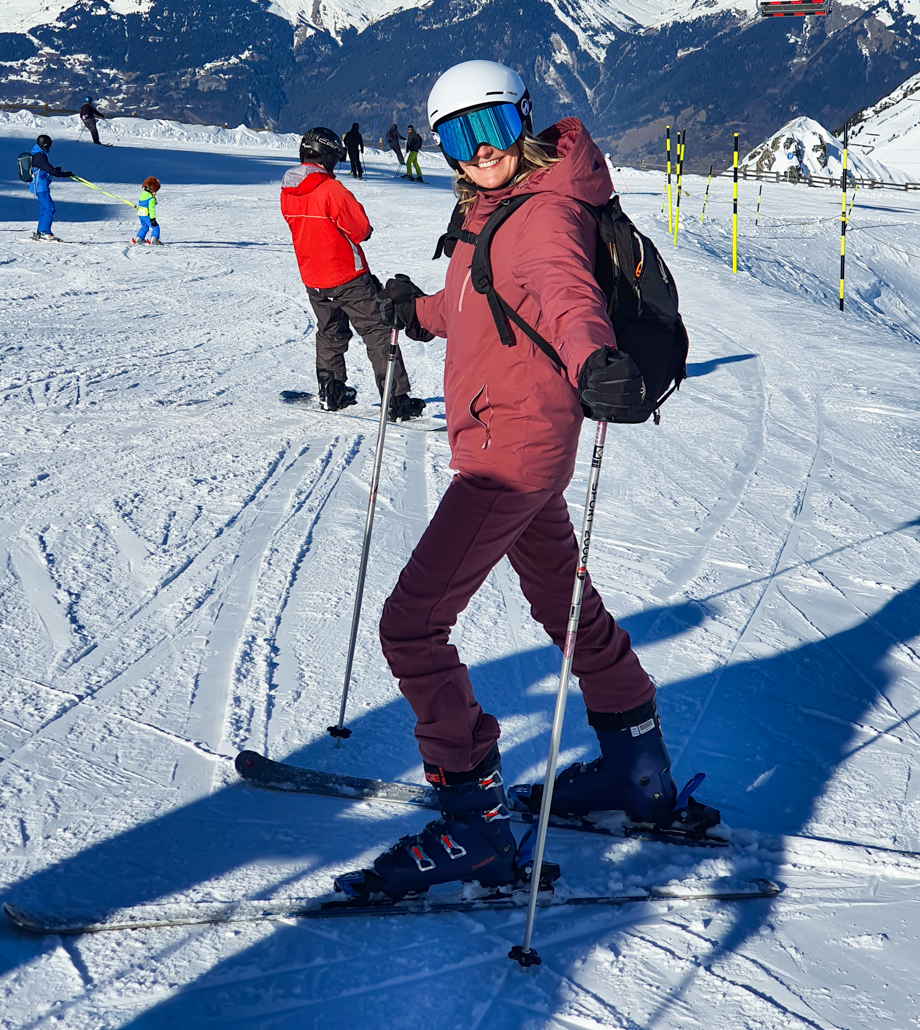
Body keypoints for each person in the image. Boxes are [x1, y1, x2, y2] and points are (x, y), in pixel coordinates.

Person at [334, 60, 711, 904]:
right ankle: (637, 770)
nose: (481, 151)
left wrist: (595, 362)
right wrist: (417, 312)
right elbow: (483, 299)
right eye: (458, 138)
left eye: (494, 128)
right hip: (517, 442)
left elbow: (564, 297)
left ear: (524, 121)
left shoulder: (539, 217)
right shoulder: (489, 212)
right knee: (564, 606)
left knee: (411, 627)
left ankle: (474, 828)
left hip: (512, 452)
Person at [280, 127, 425, 420]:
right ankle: (394, 399)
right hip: (347, 276)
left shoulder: (287, 192)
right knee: (377, 331)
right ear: (328, 156)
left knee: (330, 332)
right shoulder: (331, 190)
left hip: (314, 278)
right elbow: (361, 229)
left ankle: (331, 391)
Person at [29, 134, 74, 241]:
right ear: (44, 145)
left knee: (45, 208)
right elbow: (51, 171)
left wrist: (56, 171)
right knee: (49, 208)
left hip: (38, 186)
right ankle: (44, 232)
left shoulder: (36, 153)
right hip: (40, 187)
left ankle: (41, 231)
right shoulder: (40, 156)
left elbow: (46, 168)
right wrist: (63, 174)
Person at [133, 177, 161, 245]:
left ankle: (139, 238)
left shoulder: (142, 195)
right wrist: (153, 219)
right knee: (155, 227)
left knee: (144, 227)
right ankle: (154, 240)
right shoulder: (151, 199)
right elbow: (151, 209)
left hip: (141, 215)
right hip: (147, 215)